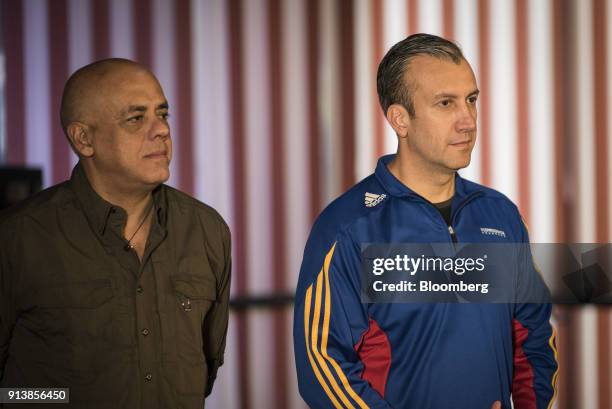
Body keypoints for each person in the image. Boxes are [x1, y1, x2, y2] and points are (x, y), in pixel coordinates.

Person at [293, 34, 558, 408]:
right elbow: (324, 365)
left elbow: (532, 337)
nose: (467, 121)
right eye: (445, 103)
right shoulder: (348, 228)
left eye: (471, 100)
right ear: (400, 119)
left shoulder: (500, 216)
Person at [0, 59, 231, 408]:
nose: (162, 130)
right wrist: (60, 399)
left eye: (163, 114)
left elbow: (207, 369)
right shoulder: (18, 239)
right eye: (136, 118)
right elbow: (9, 393)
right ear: (83, 139)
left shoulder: (207, 231)